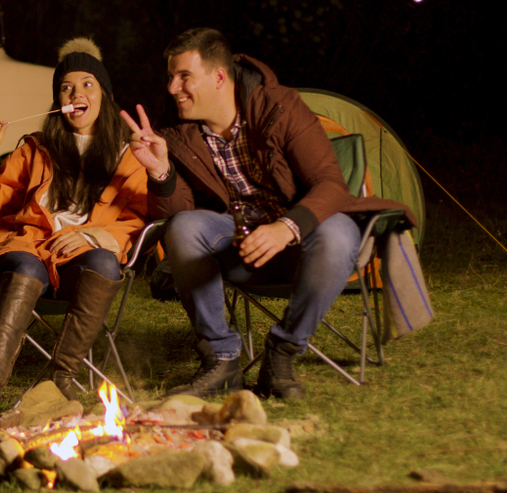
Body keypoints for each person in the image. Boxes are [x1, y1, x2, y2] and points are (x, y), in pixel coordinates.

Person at [122, 28, 417, 400]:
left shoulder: (279, 106)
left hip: (299, 245)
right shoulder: (178, 131)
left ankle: (281, 353)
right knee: (184, 227)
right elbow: (175, 215)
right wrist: (160, 172)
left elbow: (331, 184)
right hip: (237, 246)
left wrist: (285, 228)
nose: (172, 88)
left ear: (218, 77)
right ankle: (222, 359)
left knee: (340, 232)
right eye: (170, 77)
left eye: (184, 77)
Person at [0, 38, 147, 422]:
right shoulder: (36, 148)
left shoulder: (127, 156)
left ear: (105, 96)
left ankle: (60, 381)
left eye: (87, 85)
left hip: (80, 260)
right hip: (29, 249)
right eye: (67, 87)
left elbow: (137, 217)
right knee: (26, 265)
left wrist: (93, 235)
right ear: (58, 100)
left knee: (105, 262)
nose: (76, 94)